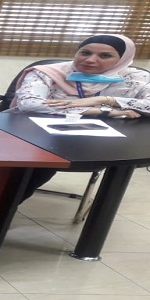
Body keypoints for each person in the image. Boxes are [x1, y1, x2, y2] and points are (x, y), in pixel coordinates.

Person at [13, 34, 150, 200]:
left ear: (122, 59)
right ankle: (2, 206)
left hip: (102, 141)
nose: (90, 60)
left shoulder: (137, 79)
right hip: (35, 132)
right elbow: (30, 104)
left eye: (105, 55)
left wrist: (105, 100)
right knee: (36, 164)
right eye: (85, 53)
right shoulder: (47, 72)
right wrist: (102, 110)